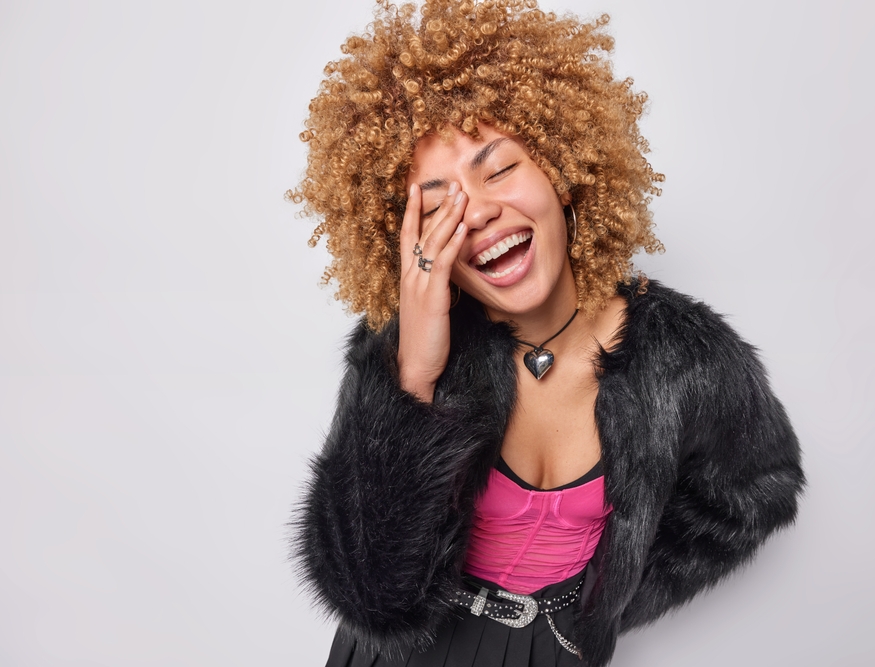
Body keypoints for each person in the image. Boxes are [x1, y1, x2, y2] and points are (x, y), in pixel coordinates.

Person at [289, 1, 805, 666]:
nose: (475, 212)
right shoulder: (401, 348)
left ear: (561, 166)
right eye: (438, 205)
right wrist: (412, 378)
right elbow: (366, 593)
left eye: (499, 168)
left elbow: (759, 486)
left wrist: (606, 598)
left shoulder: (686, 360)